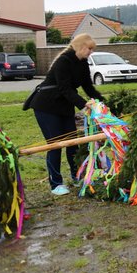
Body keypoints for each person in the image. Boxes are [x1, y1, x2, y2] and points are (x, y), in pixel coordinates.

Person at [29, 33, 104, 196]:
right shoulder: (63, 61)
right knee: (55, 144)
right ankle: (56, 184)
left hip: (65, 107)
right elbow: (65, 89)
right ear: (81, 46)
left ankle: (76, 176)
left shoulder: (83, 63)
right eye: (89, 49)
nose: (91, 52)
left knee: (73, 143)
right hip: (47, 106)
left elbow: (88, 88)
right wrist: (84, 104)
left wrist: (102, 102)